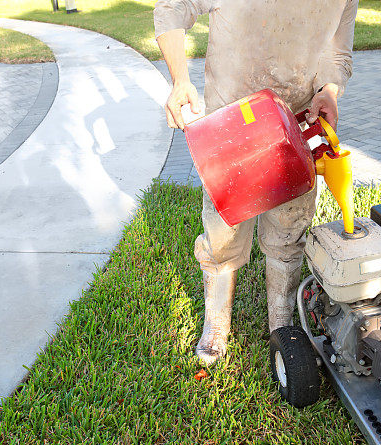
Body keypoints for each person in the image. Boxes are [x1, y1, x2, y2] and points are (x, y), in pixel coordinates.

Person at [154, 0, 360, 365]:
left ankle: (281, 324)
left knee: (289, 230)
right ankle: (216, 324)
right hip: (233, 123)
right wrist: (180, 81)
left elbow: (337, 52)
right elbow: (172, 8)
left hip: (296, 124)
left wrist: (328, 90)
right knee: (223, 229)